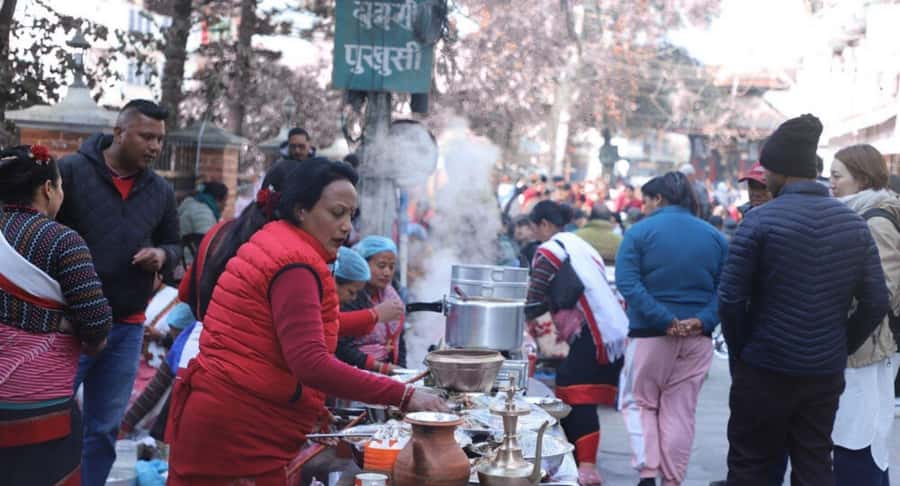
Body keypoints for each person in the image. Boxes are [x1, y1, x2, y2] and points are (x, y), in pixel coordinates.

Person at [165, 159, 446, 485]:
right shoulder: (296, 265)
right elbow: (310, 363)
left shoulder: (278, 241)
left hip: (228, 415)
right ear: (301, 210)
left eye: (351, 216)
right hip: (236, 430)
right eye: (336, 213)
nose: (346, 227)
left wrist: (306, 404)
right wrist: (404, 395)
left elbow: (280, 344)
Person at [719, 114, 890, 486]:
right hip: (822, 373)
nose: (764, 179)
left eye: (767, 172)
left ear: (782, 172)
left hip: (763, 367)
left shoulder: (759, 222)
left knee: (752, 465)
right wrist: (839, 345)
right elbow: (877, 300)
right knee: (814, 462)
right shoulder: (853, 225)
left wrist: (742, 351)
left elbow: (731, 301)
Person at [56, 99, 181, 485]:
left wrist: (162, 254)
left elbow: (176, 246)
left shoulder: (160, 190)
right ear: (119, 132)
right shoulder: (71, 173)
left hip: (126, 327)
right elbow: (41, 233)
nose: (154, 146)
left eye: (159, 139)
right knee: (47, 421)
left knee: (104, 429)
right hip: (66, 324)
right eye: (146, 136)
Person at [0, 145, 112, 485]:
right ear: (48, 189)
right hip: (38, 410)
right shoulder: (63, 241)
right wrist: (60, 324)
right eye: (60, 186)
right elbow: (96, 325)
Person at [615, 172, 727, 486]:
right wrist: (703, 319)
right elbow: (727, 288)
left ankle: (648, 472)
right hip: (697, 337)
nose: (644, 207)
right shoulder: (715, 237)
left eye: (646, 201)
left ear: (658, 199)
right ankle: (672, 479)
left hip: (650, 334)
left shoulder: (639, 233)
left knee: (641, 402)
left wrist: (662, 318)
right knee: (680, 410)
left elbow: (628, 283)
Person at [525, 200, 629, 486]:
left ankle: (585, 468)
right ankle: (585, 465)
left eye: (534, 226)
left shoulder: (548, 251)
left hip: (588, 336)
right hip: (610, 334)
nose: (533, 232)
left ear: (545, 224)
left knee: (575, 396)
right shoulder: (579, 245)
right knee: (584, 400)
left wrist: (551, 349)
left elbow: (533, 302)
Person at [829, 144, 900, 486]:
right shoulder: (859, 213)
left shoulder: (875, 219)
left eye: (836, 176)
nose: (830, 183)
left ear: (860, 178)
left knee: (859, 442)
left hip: (867, 350)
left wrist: (844, 338)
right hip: (864, 347)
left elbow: (881, 293)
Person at [334, 246, 405, 374]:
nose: (387, 272)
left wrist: (402, 373)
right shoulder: (350, 299)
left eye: (391, 267)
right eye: (381, 265)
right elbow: (339, 340)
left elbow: (399, 341)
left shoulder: (392, 295)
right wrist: (377, 366)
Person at [178, 181, 228, 263]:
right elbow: (208, 245)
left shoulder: (194, 206)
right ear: (218, 200)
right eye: (225, 202)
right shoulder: (202, 213)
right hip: (189, 264)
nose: (224, 206)